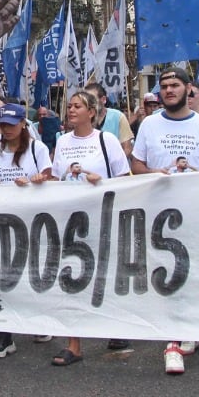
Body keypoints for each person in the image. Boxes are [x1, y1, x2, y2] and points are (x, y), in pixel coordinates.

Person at [134, 69, 199, 374]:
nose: (169, 90)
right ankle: (173, 339)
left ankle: (190, 328)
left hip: (196, 211)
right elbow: (137, 163)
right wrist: (152, 173)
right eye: (164, 86)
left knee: (193, 269)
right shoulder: (149, 124)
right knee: (166, 270)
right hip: (159, 212)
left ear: (188, 89)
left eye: (175, 85)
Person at [49, 89, 132, 367]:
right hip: (70, 220)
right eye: (70, 106)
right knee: (71, 277)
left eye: (77, 106)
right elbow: (56, 178)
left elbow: (125, 179)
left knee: (105, 275)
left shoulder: (107, 141)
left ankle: (116, 327)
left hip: (101, 217)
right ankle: (74, 344)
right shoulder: (62, 142)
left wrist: (102, 182)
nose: (71, 110)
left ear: (92, 112)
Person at [0, 102, 55, 359]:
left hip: (34, 221)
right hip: (6, 221)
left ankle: (40, 320)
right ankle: (5, 336)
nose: (7, 129)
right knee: (5, 275)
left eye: (12, 124)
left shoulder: (37, 148)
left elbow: (50, 177)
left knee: (34, 273)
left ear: (23, 124)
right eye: (3, 125)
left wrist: (37, 181)